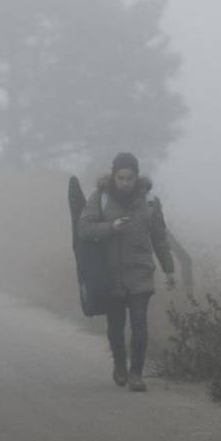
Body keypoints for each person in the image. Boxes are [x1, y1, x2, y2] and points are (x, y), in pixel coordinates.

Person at [77, 152, 175, 391]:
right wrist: (111, 227)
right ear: (114, 176)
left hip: (140, 272)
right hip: (110, 275)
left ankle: (136, 374)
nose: (125, 182)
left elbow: (160, 239)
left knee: (140, 325)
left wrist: (169, 270)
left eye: (129, 178)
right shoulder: (100, 198)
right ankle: (120, 364)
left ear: (136, 177)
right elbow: (84, 229)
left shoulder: (150, 202)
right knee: (115, 328)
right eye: (120, 177)